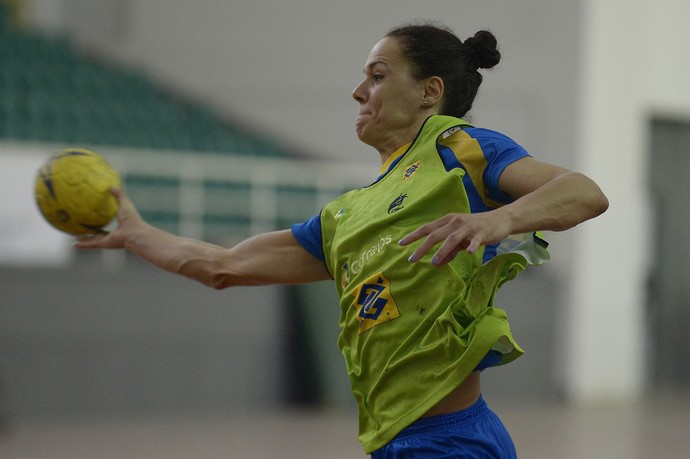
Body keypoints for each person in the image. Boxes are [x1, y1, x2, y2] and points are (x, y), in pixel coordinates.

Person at [75, 22, 608, 458]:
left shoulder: (458, 149)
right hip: (390, 442)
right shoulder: (345, 216)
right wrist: (137, 236)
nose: (358, 91)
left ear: (430, 91)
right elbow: (225, 265)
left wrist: (499, 220)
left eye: (377, 75)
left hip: (452, 441)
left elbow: (583, 192)